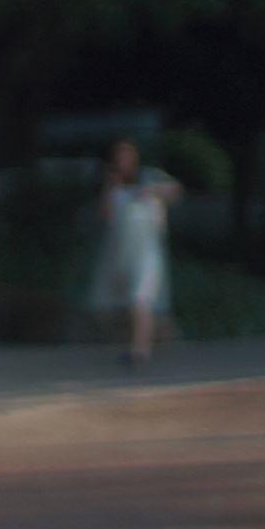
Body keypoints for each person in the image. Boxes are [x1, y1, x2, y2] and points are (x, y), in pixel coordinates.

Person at [84, 137, 181, 369]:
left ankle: (140, 353)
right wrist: (111, 186)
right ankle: (167, 338)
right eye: (119, 156)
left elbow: (176, 192)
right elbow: (105, 215)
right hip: (120, 253)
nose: (124, 161)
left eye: (127, 155)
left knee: (141, 300)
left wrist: (154, 190)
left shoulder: (150, 176)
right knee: (134, 306)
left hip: (147, 253)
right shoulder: (113, 185)